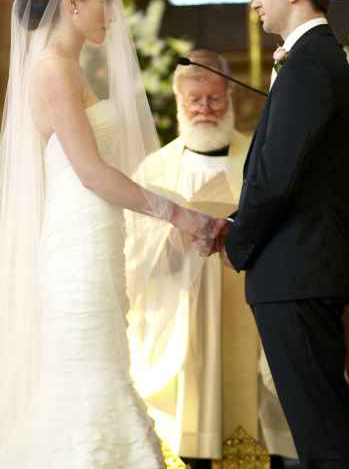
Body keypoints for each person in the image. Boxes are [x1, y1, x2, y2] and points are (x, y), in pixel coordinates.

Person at [0, 0, 222, 469]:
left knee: (100, 372)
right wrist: (179, 215)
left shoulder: (68, 68)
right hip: (77, 249)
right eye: (104, 3)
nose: (111, 16)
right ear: (71, 3)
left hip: (98, 238)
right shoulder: (51, 72)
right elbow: (91, 172)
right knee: (90, 380)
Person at [214, 0, 349, 468]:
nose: (255, 2)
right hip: (300, 268)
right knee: (320, 428)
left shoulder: (310, 65)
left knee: (324, 435)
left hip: (298, 272)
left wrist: (238, 240)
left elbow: (277, 177)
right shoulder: (313, 60)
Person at [126, 50, 295, 468]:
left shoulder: (258, 157)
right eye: (194, 101)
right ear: (178, 101)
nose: (205, 109)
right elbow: (132, 248)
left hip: (250, 306)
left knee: (255, 409)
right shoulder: (155, 171)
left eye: (214, 99)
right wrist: (175, 235)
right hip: (183, 312)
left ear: (231, 95)